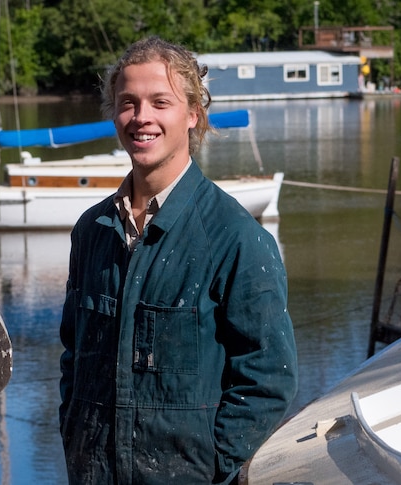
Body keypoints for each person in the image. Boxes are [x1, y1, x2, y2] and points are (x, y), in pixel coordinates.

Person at [59, 36, 298, 484]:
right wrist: (76, 436)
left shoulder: (236, 238)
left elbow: (268, 381)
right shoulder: (91, 231)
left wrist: (211, 465)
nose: (141, 117)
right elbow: (74, 355)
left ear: (193, 115)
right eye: (127, 102)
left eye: (160, 102)